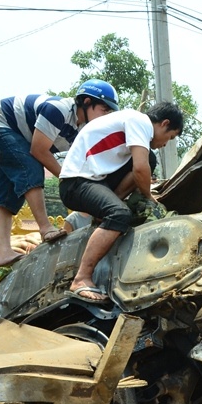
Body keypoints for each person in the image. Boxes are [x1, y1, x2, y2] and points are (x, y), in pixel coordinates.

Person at [0, 79, 119, 267]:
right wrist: (67, 179)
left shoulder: (83, 129)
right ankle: (45, 227)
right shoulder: (58, 110)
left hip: (18, 137)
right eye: (104, 109)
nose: (106, 115)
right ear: (86, 102)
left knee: (6, 192)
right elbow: (38, 151)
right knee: (31, 168)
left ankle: (3, 252)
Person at [58, 102, 183, 303]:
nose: (166, 143)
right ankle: (81, 278)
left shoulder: (132, 124)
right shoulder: (139, 121)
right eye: (170, 137)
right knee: (119, 214)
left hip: (95, 179)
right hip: (77, 182)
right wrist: (149, 198)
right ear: (164, 123)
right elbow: (140, 169)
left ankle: (108, 209)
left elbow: (144, 164)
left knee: (149, 159)